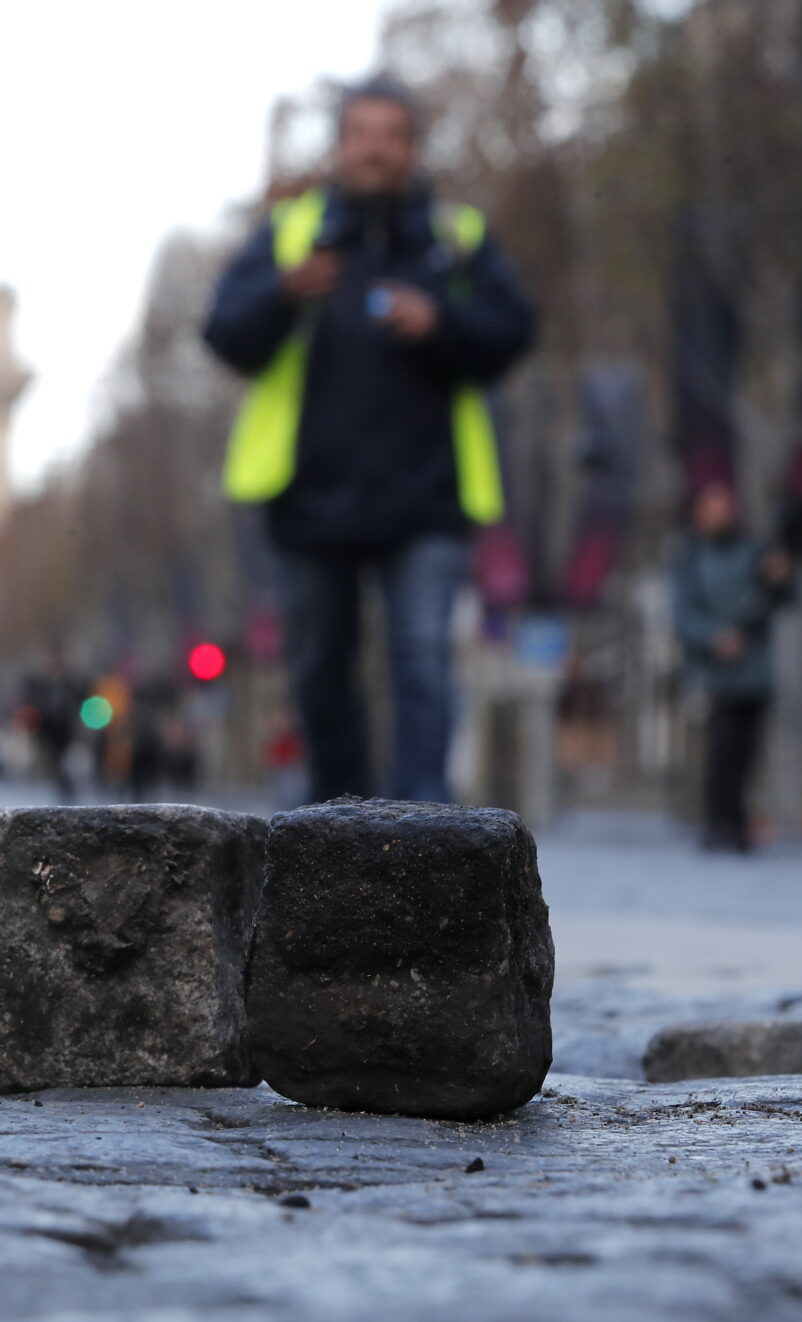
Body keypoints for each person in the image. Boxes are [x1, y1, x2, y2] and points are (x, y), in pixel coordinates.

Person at [203, 75, 535, 804]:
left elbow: (515, 332)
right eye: (363, 134)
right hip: (310, 497)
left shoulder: (458, 238)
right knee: (320, 669)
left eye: (391, 135)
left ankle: (424, 830)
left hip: (427, 497)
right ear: (342, 144)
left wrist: (442, 322)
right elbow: (224, 333)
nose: (376, 150)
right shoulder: (290, 234)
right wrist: (285, 292)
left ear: (411, 148)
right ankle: (336, 823)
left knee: (423, 659)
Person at [672, 481, 795, 852]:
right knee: (719, 752)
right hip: (714, 673)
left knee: (745, 754)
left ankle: (739, 822)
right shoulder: (691, 557)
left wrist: (781, 578)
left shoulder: (755, 552)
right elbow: (684, 613)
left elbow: (783, 598)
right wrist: (714, 637)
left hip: (754, 674)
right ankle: (718, 821)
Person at [23, 647, 85, 803]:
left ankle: (68, 793)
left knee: (68, 766)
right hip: (49, 733)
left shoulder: (71, 684)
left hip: (67, 733)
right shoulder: (40, 685)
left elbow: (79, 704)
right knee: (55, 767)